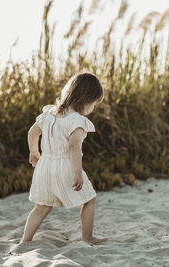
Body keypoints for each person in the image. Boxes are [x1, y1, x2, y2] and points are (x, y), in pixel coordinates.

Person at [20, 71, 108, 245]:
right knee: (89, 200)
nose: (93, 108)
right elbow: (74, 146)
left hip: (44, 167)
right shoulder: (77, 120)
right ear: (86, 100)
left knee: (42, 207)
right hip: (64, 167)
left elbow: (32, 133)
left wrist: (34, 152)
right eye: (94, 104)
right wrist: (77, 173)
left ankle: (25, 240)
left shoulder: (49, 113)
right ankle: (87, 237)